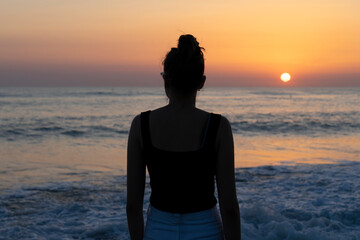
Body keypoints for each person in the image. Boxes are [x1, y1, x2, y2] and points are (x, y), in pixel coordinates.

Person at [127, 34, 241, 240]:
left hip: (158, 231)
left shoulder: (141, 125)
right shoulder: (218, 127)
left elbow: (133, 206)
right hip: (207, 231)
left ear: (165, 80)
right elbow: (230, 207)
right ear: (202, 82)